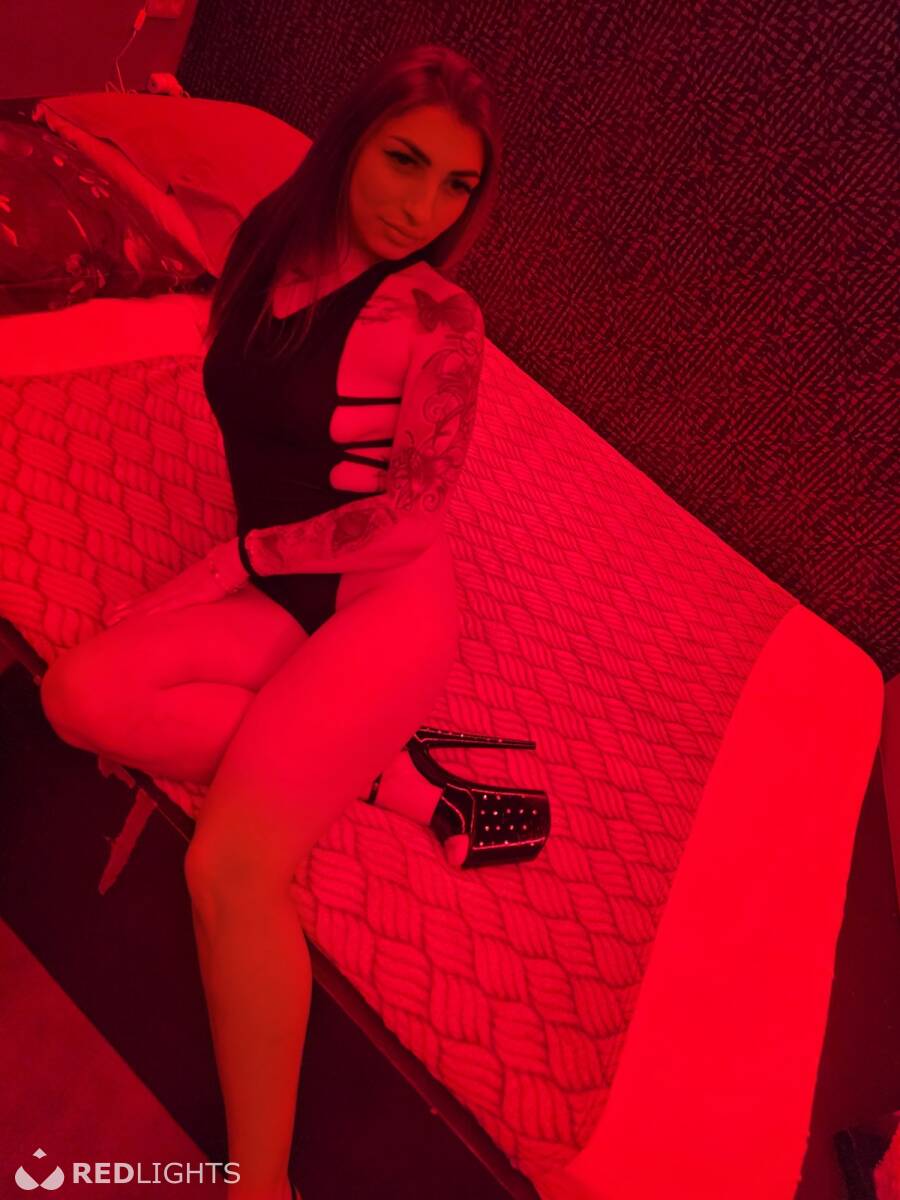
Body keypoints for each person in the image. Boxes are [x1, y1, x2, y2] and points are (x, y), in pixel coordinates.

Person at [39, 43, 547, 1200]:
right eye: (403, 161)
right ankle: (387, 775)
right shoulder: (273, 233)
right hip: (286, 595)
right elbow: (164, 151)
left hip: (383, 607)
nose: (419, 208)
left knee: (230, 867)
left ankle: (260, 1182)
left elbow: (415, 515)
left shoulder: (439, 319)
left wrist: (235, 560)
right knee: (80, 695)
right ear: (351, 140)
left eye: (455, 186)